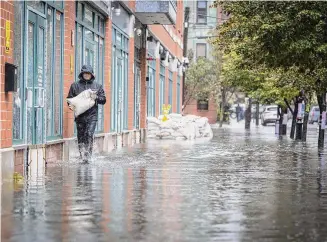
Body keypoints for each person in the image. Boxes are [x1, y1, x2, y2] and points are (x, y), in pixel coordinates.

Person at [67, 64, 106, 162]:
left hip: (92, 116)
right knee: (81, 136)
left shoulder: (97, 86)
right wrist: (70, 105)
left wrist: (96, 97)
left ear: (91, 74)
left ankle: (88, 156)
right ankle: (82, 155)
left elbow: (103, 100)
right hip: (80, 116)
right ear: (82, 74)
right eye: (85, 73)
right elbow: (70, 99)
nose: (87, 75)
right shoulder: (75, 85)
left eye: (88, 74)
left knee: (88, 134)